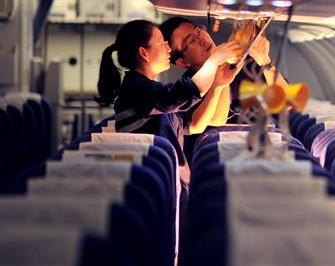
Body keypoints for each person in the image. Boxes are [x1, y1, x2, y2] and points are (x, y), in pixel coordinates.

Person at [95, 19, 241, 183]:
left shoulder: (146, 89)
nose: (168, 48)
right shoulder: (136, 90)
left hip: (166, 181)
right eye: (161, 43)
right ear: (144, 53)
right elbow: (187, 91)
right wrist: (214, 60)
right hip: (154, 183)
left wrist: (217, 86)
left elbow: (194, 125)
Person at [159, 17, 289, 131]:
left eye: (199, 31)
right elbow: (217, 121)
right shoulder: (189, 88)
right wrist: (220, 64)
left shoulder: (247, 63)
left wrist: (266, 62)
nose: (202, 39)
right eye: (191, 41)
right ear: (183, 62)